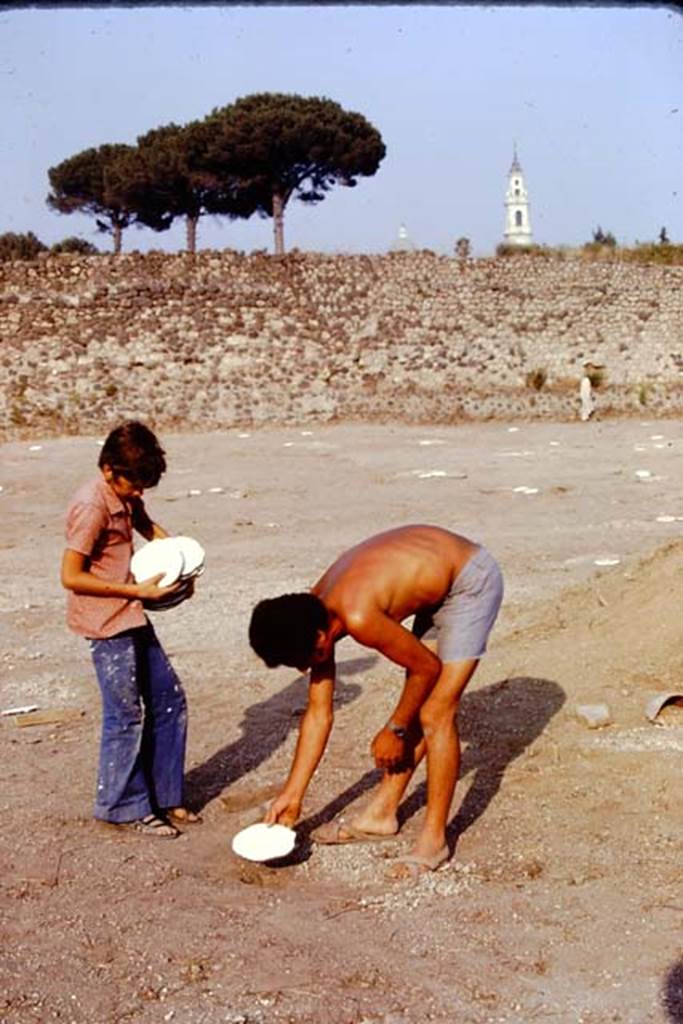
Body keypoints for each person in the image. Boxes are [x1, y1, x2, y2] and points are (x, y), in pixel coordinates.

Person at [248, 524, 503, 877]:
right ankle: (382, 814)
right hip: (435, 576)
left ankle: (434, 841)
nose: (305, 668)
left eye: (305, 658)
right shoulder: (311, 611)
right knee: (419, 697)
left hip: (469, 581)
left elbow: (427, 669)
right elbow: (319, 714)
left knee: (435, 711)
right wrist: (292, 795)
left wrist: (395, 728)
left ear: (321, 636)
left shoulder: (357, 615)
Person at [61, 420, 199, 838]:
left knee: (169, 699)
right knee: (125, 714)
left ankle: (164, 794)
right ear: (108, 470)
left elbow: (146, 523)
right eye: (133, 485)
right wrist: (133, 589)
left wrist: (179, 556)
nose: (139, 494)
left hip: (131, 610)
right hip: (106, 620)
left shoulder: (125, 494)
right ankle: (122, 806)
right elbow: (70, 575)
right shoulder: (91, 506)